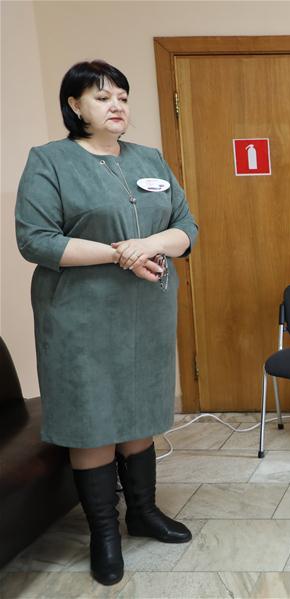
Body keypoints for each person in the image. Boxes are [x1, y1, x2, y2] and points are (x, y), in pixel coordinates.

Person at [15, 60, 198, 586]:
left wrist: (149, 244)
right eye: (102, 97)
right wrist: (122, 254)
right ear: (75, 106)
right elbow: (36, 240)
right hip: (81, 316)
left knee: (139, 413)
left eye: (121, 96)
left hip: (147, 312)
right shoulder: (50, 161)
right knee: (92, 418)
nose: (116, 105)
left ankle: (143, 512)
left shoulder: (149, 159)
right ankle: (103, 533)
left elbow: (185, 226)